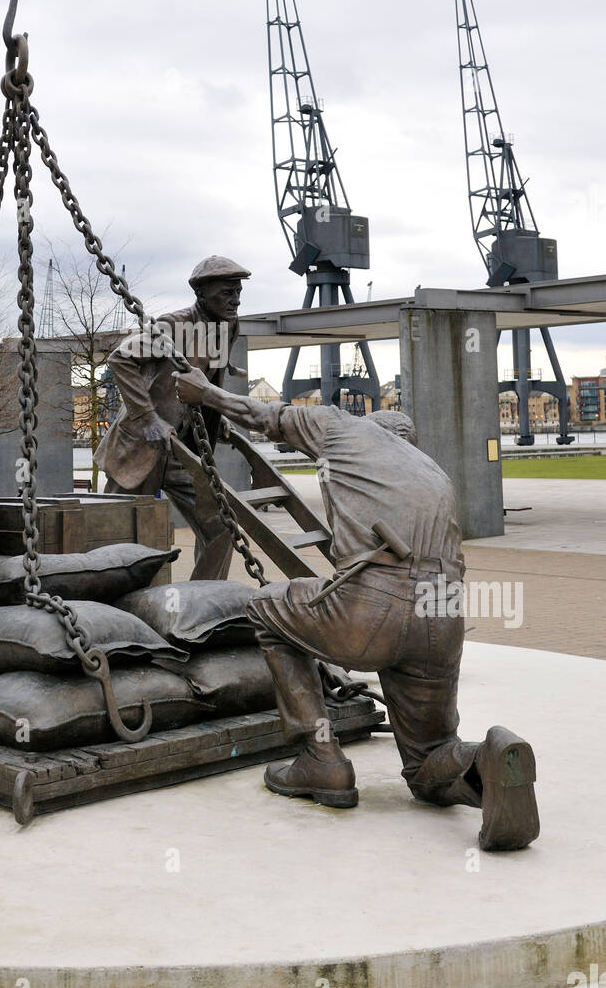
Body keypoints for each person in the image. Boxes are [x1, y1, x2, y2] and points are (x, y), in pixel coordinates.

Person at [173, 365, 539, 852]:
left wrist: (205, 393)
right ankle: (487, 761)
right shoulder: (434, 473)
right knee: (428, 760)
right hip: (443, 617)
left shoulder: (339, 427)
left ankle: (321, 759)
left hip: (374, 607)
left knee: (266, 608)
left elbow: (262, 414)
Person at [94, 255, 250, 579]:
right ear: (202, 295)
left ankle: (202, 603)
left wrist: (216, 415)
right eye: (226, 292)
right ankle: (105, 603)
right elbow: (120, 359)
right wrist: (148, 418)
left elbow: (209, 376)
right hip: (142, 445)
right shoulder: (172, 325)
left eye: (237, 291)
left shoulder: (229, 326)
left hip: (186, 450)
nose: (234, 299)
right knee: (110, 532)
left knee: (222, 526)